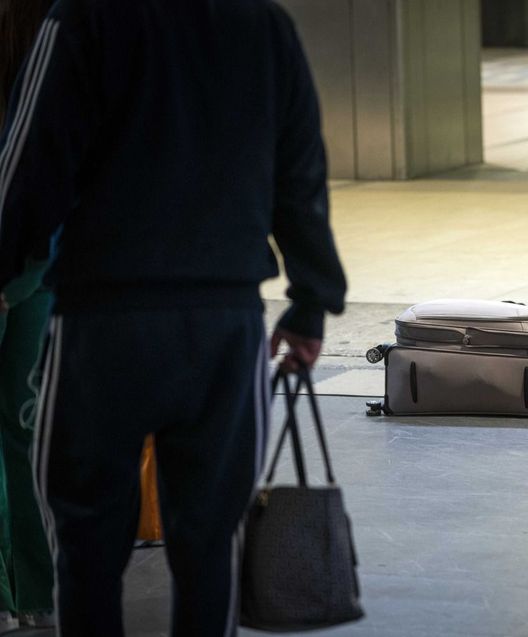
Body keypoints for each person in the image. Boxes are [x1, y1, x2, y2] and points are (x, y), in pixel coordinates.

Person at [0, 1, 347, 635]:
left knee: (86, 547)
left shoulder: (82, 18)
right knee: (210, 543)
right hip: (223, 323)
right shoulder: (263, 24)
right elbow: (300, 170)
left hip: (100, 324)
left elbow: (31, 161)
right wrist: (311, 301)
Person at [0, 0, 56, 631]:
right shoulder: (60, 47)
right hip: (41, 267)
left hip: (21, 263)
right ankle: (36, 594)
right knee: (22, 428)